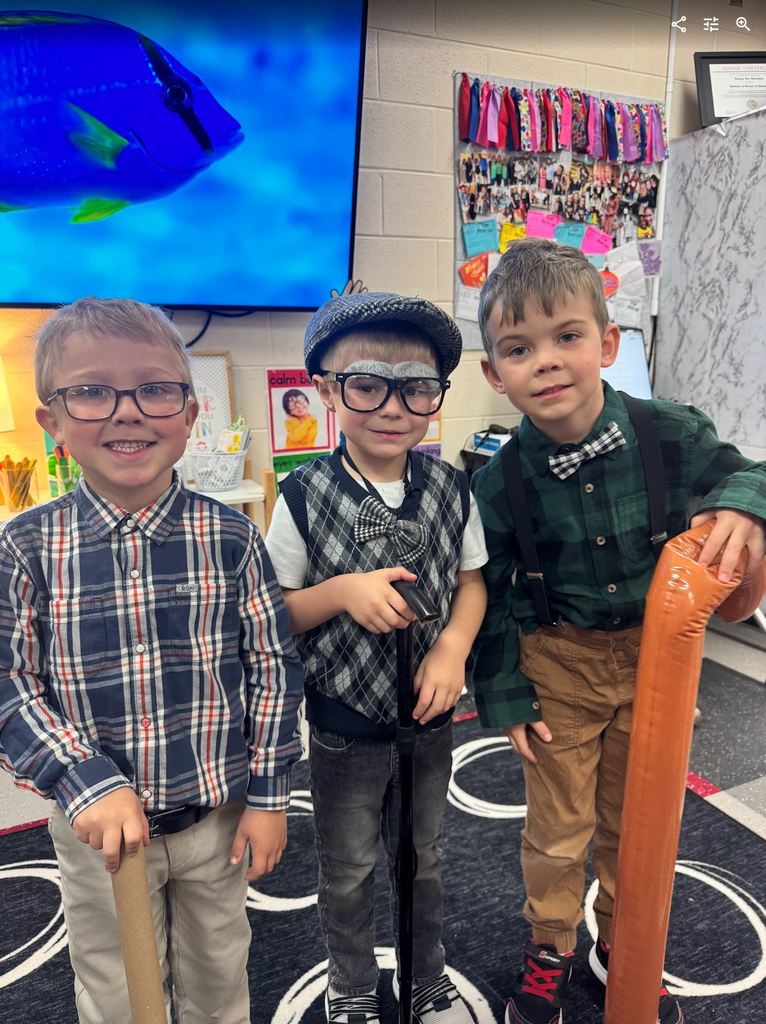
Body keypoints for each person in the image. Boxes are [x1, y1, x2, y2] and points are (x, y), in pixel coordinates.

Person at [471, 238, 766, 1024]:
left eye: (566, 336)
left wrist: (743, 508)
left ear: (606, 344)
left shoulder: (671, 432)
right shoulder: (496, 483)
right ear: (494, 375)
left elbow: (751, 472)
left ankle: (625, 949)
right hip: (557, 667)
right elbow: (489, 596)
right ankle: (549, 949)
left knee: (638, 826)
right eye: (518, 349)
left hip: (656, 666)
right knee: (558, 829)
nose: (546, 361)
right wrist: (505, 696)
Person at [0, 298, 305, 1024]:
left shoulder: (232, 537)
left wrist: (270, 797)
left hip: (215, 822)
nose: (127, 411)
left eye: (155, 389)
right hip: (96, 838)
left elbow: (271, 667)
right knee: (117, 991)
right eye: (92, 391)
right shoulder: (25, 547)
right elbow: (10, 685)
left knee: (219, 976)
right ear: (52, 421)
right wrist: (86, 779)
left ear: (190, 412)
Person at [264, 291, 488, 1024]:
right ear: (328, 391)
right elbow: (274, 610)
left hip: (430, 718)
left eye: (416, 388)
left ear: (435, 395)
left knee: (423, 856)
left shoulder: (452, 488)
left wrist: (452, 646)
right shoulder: (302, 495)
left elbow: (471, 582)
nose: (393, 408)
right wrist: (339, 593)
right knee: (348, 866)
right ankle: (352, 983)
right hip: (343, 724)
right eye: (367, 385)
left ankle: (425, 974)